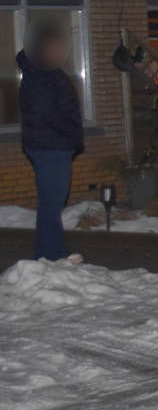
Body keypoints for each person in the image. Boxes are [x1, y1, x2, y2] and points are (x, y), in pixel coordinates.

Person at [18, 21, 83, 262]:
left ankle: (51, 251)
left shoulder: (45, 72)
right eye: (54, 46)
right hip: (50, 146)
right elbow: (46, 113)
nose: (59, 50)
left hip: (53, 145)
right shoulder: (40, 75)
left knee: (53, 201)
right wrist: (69, 134)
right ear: (42, 47)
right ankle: (50, 253)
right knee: (51, 202)